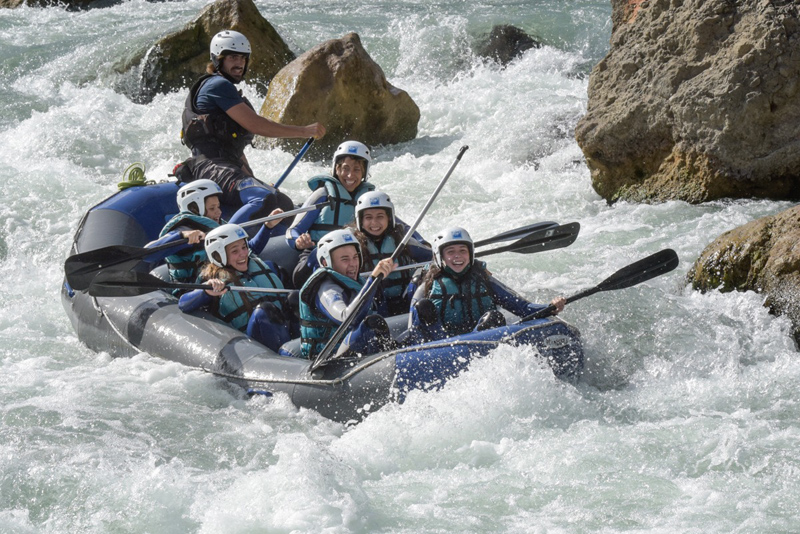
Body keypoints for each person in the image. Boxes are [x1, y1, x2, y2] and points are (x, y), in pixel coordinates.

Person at [180, 29, 326, 227]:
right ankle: (228, 241)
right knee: (263, 197)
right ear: (217, 59)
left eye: (243, 58)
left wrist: (255, 180)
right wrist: (304, 131)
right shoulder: (217, 86)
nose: (239, 63)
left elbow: (233, 148)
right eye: (232, 57)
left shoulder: (226, 89)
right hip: (209, 166)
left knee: (282, 202)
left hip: (226, 165)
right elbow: (256, 125)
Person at [408, 226, 566, 341]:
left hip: (481, 341)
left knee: (493, 318)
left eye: (463, 251)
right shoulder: (427, 283)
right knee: (423, 306)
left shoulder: (484, 280)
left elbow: (523, 308)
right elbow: (413, 326)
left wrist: (550, 307)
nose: (458, 256)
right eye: (451, 252)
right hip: (440, 343)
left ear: (471, 253)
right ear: (439, 255)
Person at [146, 180, 283, 289]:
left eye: (218, 207)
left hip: (230, 280)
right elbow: (148, 254)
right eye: (212, 208)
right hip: (199, 289)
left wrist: (267, 227)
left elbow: (249, 252)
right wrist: (183, 236)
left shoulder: (218, 226)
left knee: (271, 268)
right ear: (194, 207)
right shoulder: (181, 229)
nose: (218, 212)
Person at [178, 223, 292, 351]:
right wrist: (206, 292)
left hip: (283, 329)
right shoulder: (211, 278)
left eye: (244, 247)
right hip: (252, 346)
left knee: (294, 297)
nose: (243, 254)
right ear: (218, 255)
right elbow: (183, 304)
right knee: (264, 312)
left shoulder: (260, 265)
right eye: (235, 251)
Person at [285, 140, 376, 287]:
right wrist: (298, 241)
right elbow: (292, 230)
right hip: (317, 256)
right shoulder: (323, 194)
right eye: (345, 168)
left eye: (357, 169)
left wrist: (422, 242)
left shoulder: (368, 199)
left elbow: (394, 225)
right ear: (336, 168)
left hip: (354, 260)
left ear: (364, 172)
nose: (350, 175)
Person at [296, 228, 396, 360]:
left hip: (352, 350)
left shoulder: (357, 282)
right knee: (372, 323)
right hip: (329, 359)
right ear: (326, 262)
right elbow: (346, 319)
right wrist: (372, 281)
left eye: (355, 257)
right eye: (345, 259)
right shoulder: (326, 289)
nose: (353, 264)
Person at [350, 190, 432, 316]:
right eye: (368, 217)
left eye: (380, 216)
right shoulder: (352, 245)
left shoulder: (403, 241)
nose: (374, 223)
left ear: (389, 218)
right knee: (375, 291)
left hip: (405, 302)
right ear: (360, 220)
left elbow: (432, 257)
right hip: (373, 307)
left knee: (421, 276)